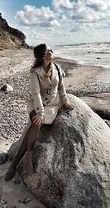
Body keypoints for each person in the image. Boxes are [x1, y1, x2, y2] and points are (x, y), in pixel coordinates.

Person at [5, 43, 73, 181]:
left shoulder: (57, 68)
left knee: (36, 123)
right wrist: (40, 112)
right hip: (37, 104)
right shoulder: (34, 72)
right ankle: (23, 159)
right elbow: (35, 94)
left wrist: (65, 101)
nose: (52, 51)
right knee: (36, 122)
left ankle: (18, 160)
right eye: (49, 50)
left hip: (52, 104)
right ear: (43, 56)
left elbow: (61, 87)